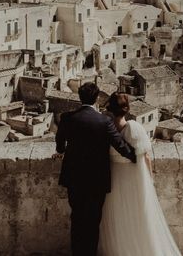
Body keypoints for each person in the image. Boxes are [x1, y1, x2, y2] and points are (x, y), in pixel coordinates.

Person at [54, 82, 136, 256]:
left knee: (77, 219)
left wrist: (61, 151)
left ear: (80, 97)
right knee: (92, 221)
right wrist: (137, 156)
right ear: (97, 98)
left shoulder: (67, 118)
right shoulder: (104, 121)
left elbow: (60, 142)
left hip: (74, 178)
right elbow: (120, 145)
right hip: (96, 180)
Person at [99, 92, 181, 256]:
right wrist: (149, 179)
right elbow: (146, 157)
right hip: (133, 179)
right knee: (138, 218)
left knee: (118, 218)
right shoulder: (134, 128)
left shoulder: (106, 129)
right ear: (127, 109)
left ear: (110, 109)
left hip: (114, 178)